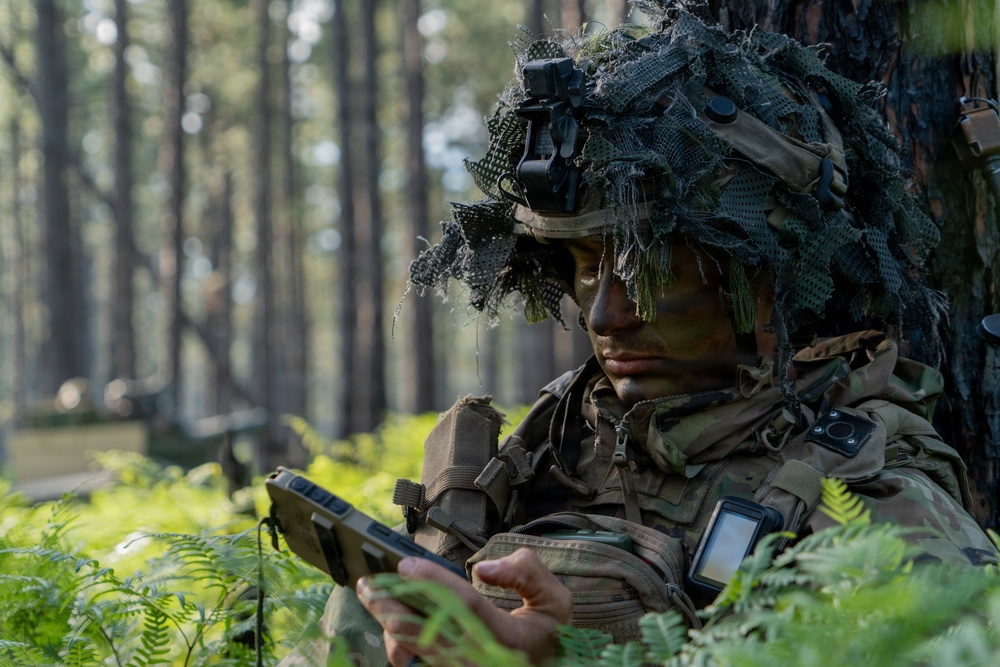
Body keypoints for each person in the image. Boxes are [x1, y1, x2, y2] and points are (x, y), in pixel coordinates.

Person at [282, 2, 999, 665]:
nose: (604, 316)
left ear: (760, 277)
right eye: (586, 266)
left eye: (647, 270)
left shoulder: (876, 502)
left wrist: (554, 654)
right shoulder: (541, 453)